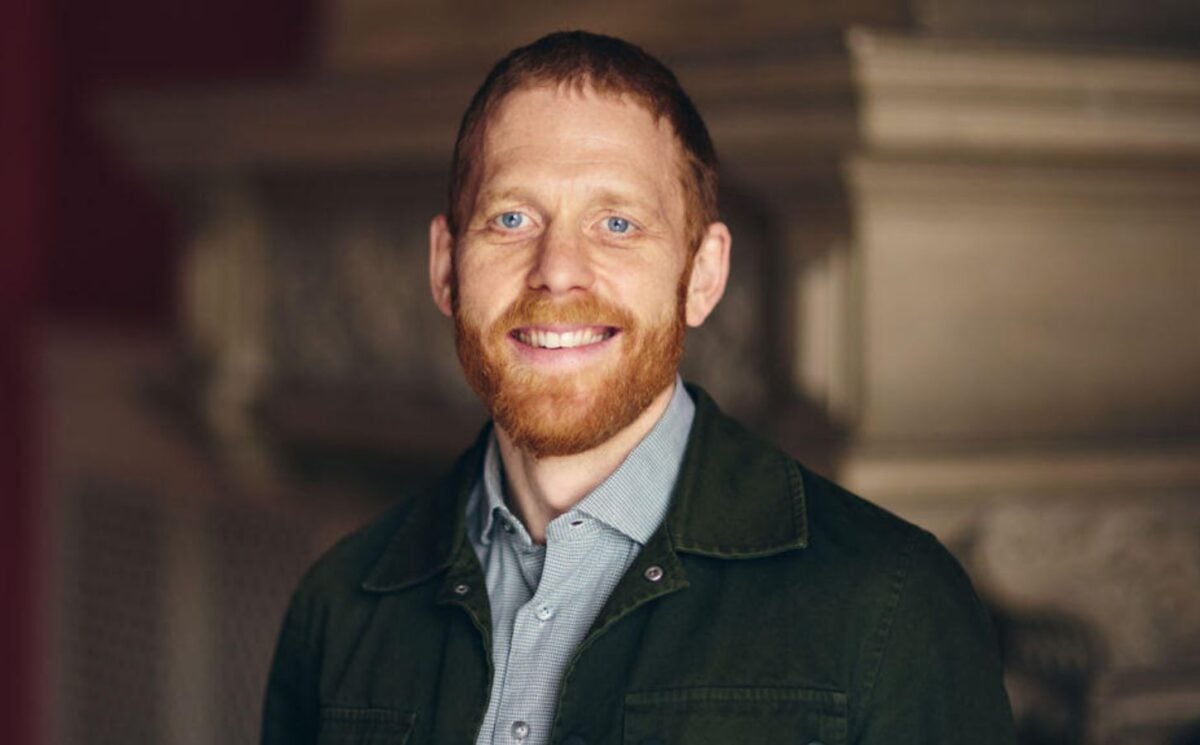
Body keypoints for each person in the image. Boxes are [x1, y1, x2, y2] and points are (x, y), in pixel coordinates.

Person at [261, 31, 1015, 745]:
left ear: (703, 274)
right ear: (446, 266)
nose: (558, 268)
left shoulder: (891, 604)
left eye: (617, 223)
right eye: (513, 217)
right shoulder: (340, 602)